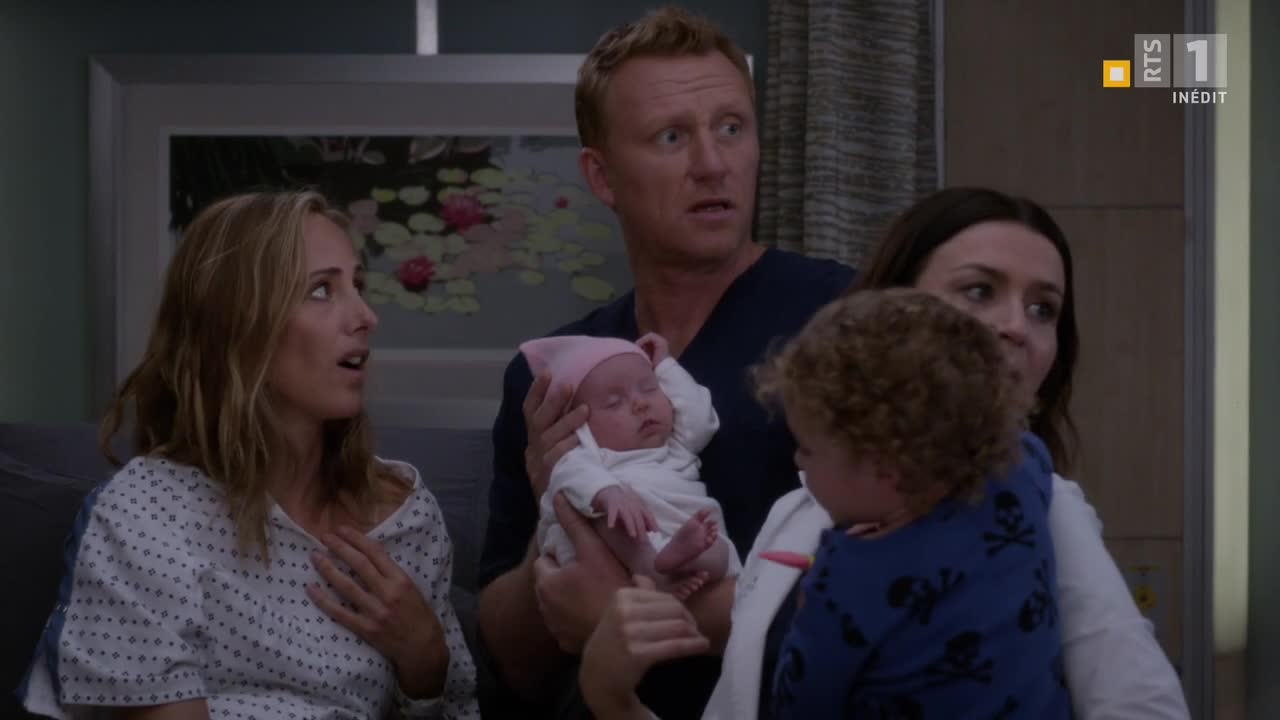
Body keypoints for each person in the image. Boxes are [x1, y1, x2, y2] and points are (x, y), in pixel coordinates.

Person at [577, 187, 1191, 720]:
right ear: (886, 310)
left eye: (1043, 309)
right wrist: (612, 698)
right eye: (979, 291)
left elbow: (1143, 707)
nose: (1015, 326)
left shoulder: (1042, 499)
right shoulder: (797, 514)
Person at [476, 7, 853, 718]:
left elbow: (910, 584)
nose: (712, 163)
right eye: (672, 137)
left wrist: (630, 614)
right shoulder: (554, 375)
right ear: (603, 176)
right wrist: (555, 531)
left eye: (731, 128)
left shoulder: (846, 319)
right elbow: (512, 669)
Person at [18, 191, 480, 719]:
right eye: (322, 290)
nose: (366, 316)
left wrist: (426, 666)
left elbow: (456, 708)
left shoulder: (407, 520)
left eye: (359, 286)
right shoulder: (147, 512)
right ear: (237, 325)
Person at [753, 288, 1069, 718]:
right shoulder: (1022, 470)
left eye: (807, 448)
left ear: (885, 468)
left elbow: (799, 706)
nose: (798, 461)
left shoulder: (845, 582)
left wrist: (806, 613)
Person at [521, 332, 739, 599]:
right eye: (614, 403)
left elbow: (701, 419)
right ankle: (648, 564)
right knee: (608, 517)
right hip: (616, 551)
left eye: (650, 388)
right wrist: (607, 492)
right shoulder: (588, 457)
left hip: (677, 537)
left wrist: (665, 367)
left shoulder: (676, 447)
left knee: (719, 549)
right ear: (580, 424)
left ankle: (682, 563)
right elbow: (568, 474)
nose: (640, 403)